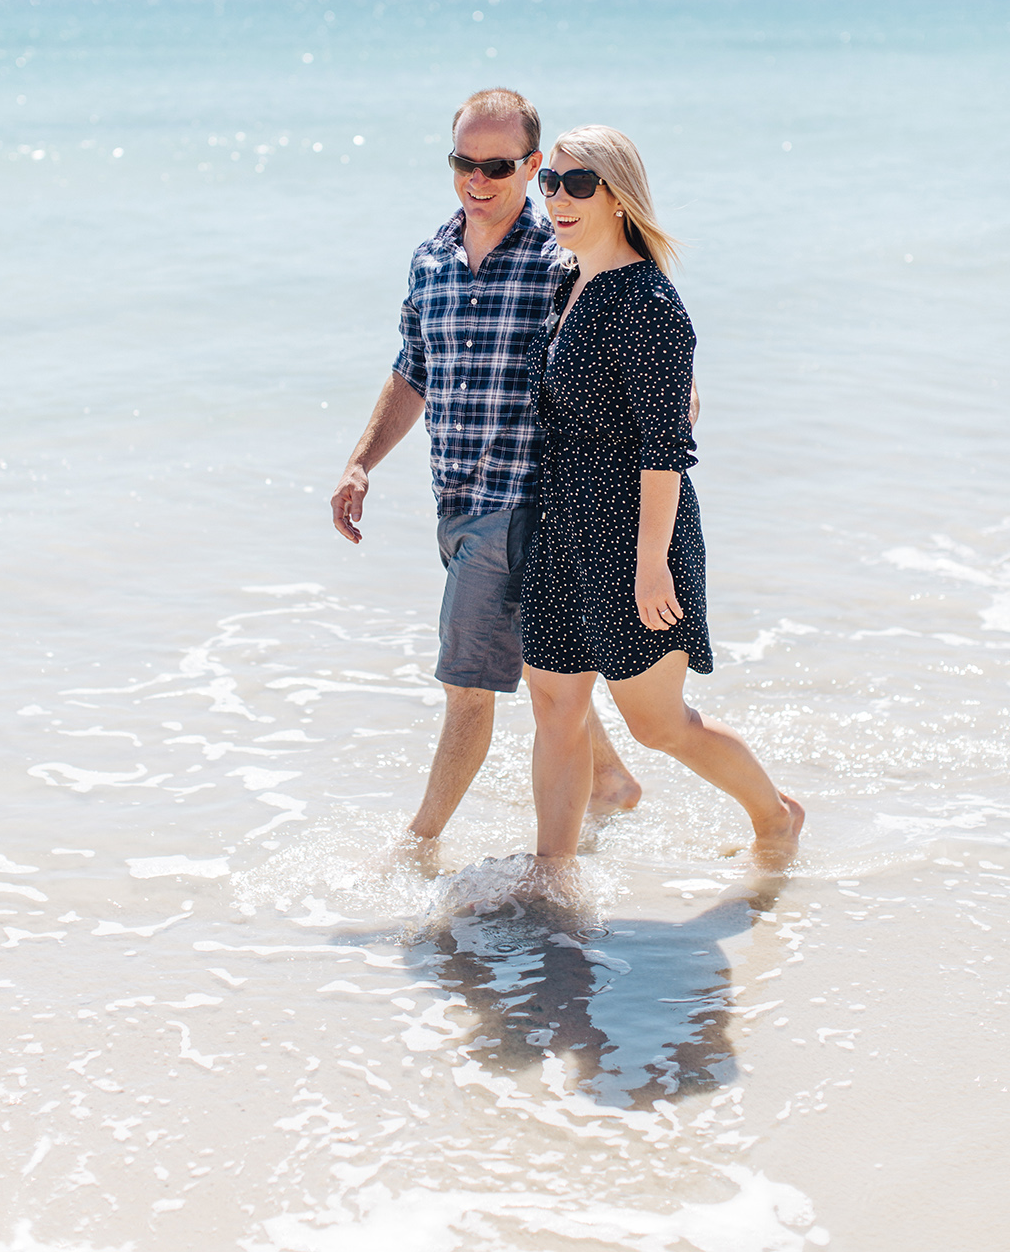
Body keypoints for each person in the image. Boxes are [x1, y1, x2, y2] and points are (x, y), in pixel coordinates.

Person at [330, 89, 642, 843]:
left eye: (498, 166)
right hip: (456, 504)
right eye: (463, 162)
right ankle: (608, 779)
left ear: (533, 166)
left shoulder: (560, 260)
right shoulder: (430, 258)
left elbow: (633, 323)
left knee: (468, 686)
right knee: (547, 673)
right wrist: (362, 460)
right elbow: (413, 370)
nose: (478, 179)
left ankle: (418, 843)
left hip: (524, 507)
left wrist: (670, 402)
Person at [521, 125, 804, 868]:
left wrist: (652, 563)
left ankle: (776, 818)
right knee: (554, 704)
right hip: (560, 528)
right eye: (550, 182)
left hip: (630, 534)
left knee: (658, 725)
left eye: (578, 184)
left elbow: (666, 449)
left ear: (618, 196)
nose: (559, 198)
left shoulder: (646, 301)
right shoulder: (564, 279)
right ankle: (552, 877)